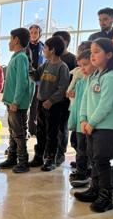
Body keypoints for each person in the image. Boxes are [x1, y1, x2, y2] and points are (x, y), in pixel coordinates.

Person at [74, 38, 113, 213]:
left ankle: (106, 196)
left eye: (96, 52)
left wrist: (92, 122)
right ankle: (94, 189)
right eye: (91, 51)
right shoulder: (94, 75)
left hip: (107, 128)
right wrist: (83, 120)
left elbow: (106, 104)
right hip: (91, 126)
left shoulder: (111, 77)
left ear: (109, 55)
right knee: (93, 158)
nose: (92, 55)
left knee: (102, 161)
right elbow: (85, 99)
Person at [29, 36, 70, 171]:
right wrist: (29, 67)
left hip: (54, 106)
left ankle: (50, 159)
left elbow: (63, 88)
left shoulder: (62, 67)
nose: (43, 51)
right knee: (40, 131)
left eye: (45, 48)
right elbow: (35, 76)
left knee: (52, 133)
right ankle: (38, 156)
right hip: (42, 103)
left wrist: (51, 100)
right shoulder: (45, 64)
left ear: (52, 50)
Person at [0, 28, 34, 173]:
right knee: (13, 130)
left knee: (18, 133)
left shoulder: (21, 58)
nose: (9, 42)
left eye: (10, 38)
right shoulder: (16, 56)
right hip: (12, 102)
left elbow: (22, 82)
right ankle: (12, 158)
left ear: (16, 40)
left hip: (17, 104)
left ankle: (23, 161)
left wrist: (16, 101)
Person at [68, 48, 96, 188]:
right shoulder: (80, 83)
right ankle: (82, 172)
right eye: (81, 65)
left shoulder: (96, 82)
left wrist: (90, 122)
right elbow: (76, 106)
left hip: (91, 125)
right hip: (80, 124)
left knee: (88, 151)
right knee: (81, 150)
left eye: (86, 65)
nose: (82, 68)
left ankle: (86, 173)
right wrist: (73, 121)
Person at [52, 31, 77, 166]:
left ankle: (60, 154)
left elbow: (75, 79)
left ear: (66, 42)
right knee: (52, 127)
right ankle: (51, 151)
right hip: (52, 99)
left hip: (65, 100)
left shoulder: (72, 59)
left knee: (62, 127)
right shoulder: (52, 58)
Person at [26, 24, 45, 136]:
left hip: (38, 81)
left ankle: (33, 129)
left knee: (35, 106)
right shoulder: (24, 47)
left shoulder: (44, 47)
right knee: (25, 105)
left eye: (35, 32)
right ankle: (24, 128)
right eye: (31, 32)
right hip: (27, 80)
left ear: (39, 34)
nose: (33, 35)